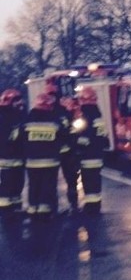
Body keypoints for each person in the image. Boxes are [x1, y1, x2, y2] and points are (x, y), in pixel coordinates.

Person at [21, 93, 67, 219]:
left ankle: (33, 208)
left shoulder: (28, 119)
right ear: (48, 105)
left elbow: (21, 138)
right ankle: (44, 209)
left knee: (34, 184)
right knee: (48, 185)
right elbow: (63, 136)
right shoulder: (54, 119)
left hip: (32, 161)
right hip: (50, 161)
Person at [45, 83, 79, 213]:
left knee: (71, 179)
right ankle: (53, 207)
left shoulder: (64, 112)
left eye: (53, 95)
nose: (52, 98)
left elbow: (73, 128)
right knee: (50, 181)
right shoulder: (44, 112)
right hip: (51, 153)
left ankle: (74, 205)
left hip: (66, 152)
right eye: (49, 95)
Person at [75, 87, 108, 215]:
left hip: (87, 155)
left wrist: (78, 149)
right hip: (98, 154)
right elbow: (102, 135)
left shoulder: (86, 115)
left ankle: (91, 206)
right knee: (95, 180)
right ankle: (95, 204)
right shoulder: (98, 114)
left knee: (88, 181)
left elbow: (84, 136)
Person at [0, 89, 26, 215]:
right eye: (16, 100)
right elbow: (7, 138)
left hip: (17, 157)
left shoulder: (18, 115)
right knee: (6, 184)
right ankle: (5, 208)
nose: (20, 102)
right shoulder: (3, 116)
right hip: (6, 158)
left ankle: (16, 205)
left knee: (18, 183)